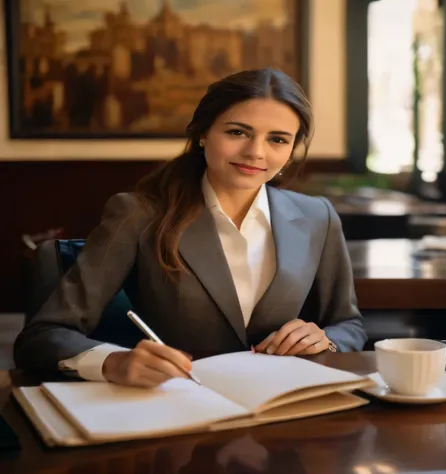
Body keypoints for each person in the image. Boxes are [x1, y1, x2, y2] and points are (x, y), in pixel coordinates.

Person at [14, 68, 366, 388]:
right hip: (180, 411)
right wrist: (112, 362)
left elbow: (348, 326)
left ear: (291, 149)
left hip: (284, 412)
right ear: (202, 133)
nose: (256, 152)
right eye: (237, 132)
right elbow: (43, 335)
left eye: (278, 139)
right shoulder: (137, 214)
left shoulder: (317, 216)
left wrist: (325, 340)